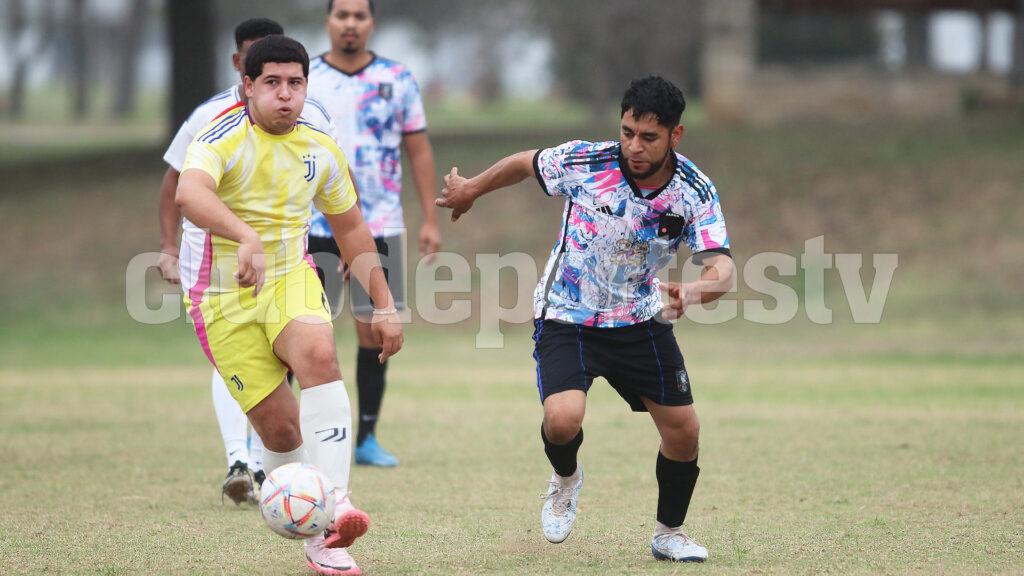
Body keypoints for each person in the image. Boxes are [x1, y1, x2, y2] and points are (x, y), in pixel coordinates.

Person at [436, 75, 735, 563]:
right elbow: (523, 164)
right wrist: (471, 189)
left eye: (649, 137)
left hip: (640, 318)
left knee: (684, 431)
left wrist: (697, 290)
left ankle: (669, 533)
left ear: (675, 136)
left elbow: (722, 267)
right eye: (627, 132)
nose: (634, 146)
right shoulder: (587, 160)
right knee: (562, 419)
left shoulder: (693, 191)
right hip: (567, 314)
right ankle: (566, 477)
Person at [175, 35, 402, 576]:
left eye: (295, 83)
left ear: (306, 87)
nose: (285, 95)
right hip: (220, 296)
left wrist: (386, 305)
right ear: (248, 86)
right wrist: (243, 236)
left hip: (289, 277)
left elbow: (352, 231)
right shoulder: (221, 137)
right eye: (271, 83)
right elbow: (190, 193)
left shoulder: (320, 148)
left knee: (320, 355)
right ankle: (308, 519)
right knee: (280, 434)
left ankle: (335, 516)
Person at [158, 18, 340, 505]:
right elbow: (177, 185)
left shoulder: (316, 120)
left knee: (310, 355)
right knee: (254, 380)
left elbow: (326, 182)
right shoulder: (209, 119)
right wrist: (169, 246)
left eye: (292, 78)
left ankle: (316, 494)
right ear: (243, 68)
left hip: (286, 262)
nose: (282, 90)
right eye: (266, 73)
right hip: (216, 275)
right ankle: (241, 456)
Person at [305, 0, 441, 468]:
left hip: (379, 224)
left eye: (359, 15)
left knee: (374, 333)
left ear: (371, 23)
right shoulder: (306, 79)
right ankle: (296, 438)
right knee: (299, 332)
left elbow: (418, 152)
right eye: (341, 14)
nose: (349, 23)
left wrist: (429, 219)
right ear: (328, 21)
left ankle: (365, 438)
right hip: (314, 224)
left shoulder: (398, 78)